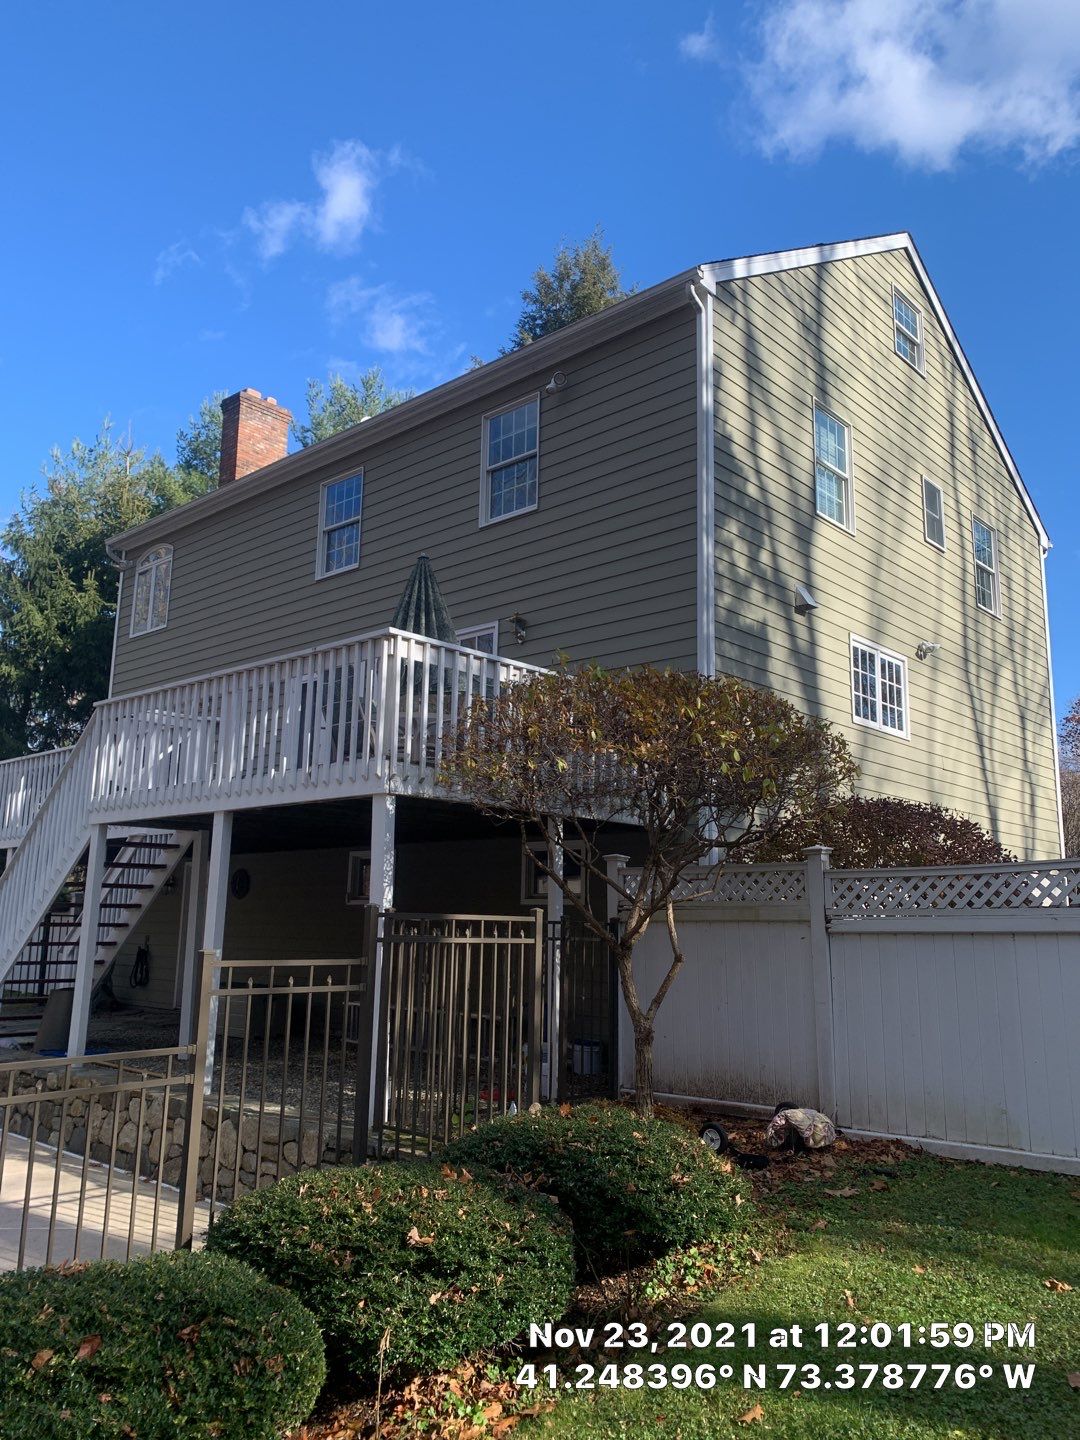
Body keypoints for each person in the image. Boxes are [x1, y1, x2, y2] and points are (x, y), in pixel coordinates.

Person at [764, 1100, 836, 1151]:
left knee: (808, 1129)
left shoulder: (794, 1118)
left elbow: (805, 1128)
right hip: (816, 1122)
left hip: (818, 1124)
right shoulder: (786, 1118)